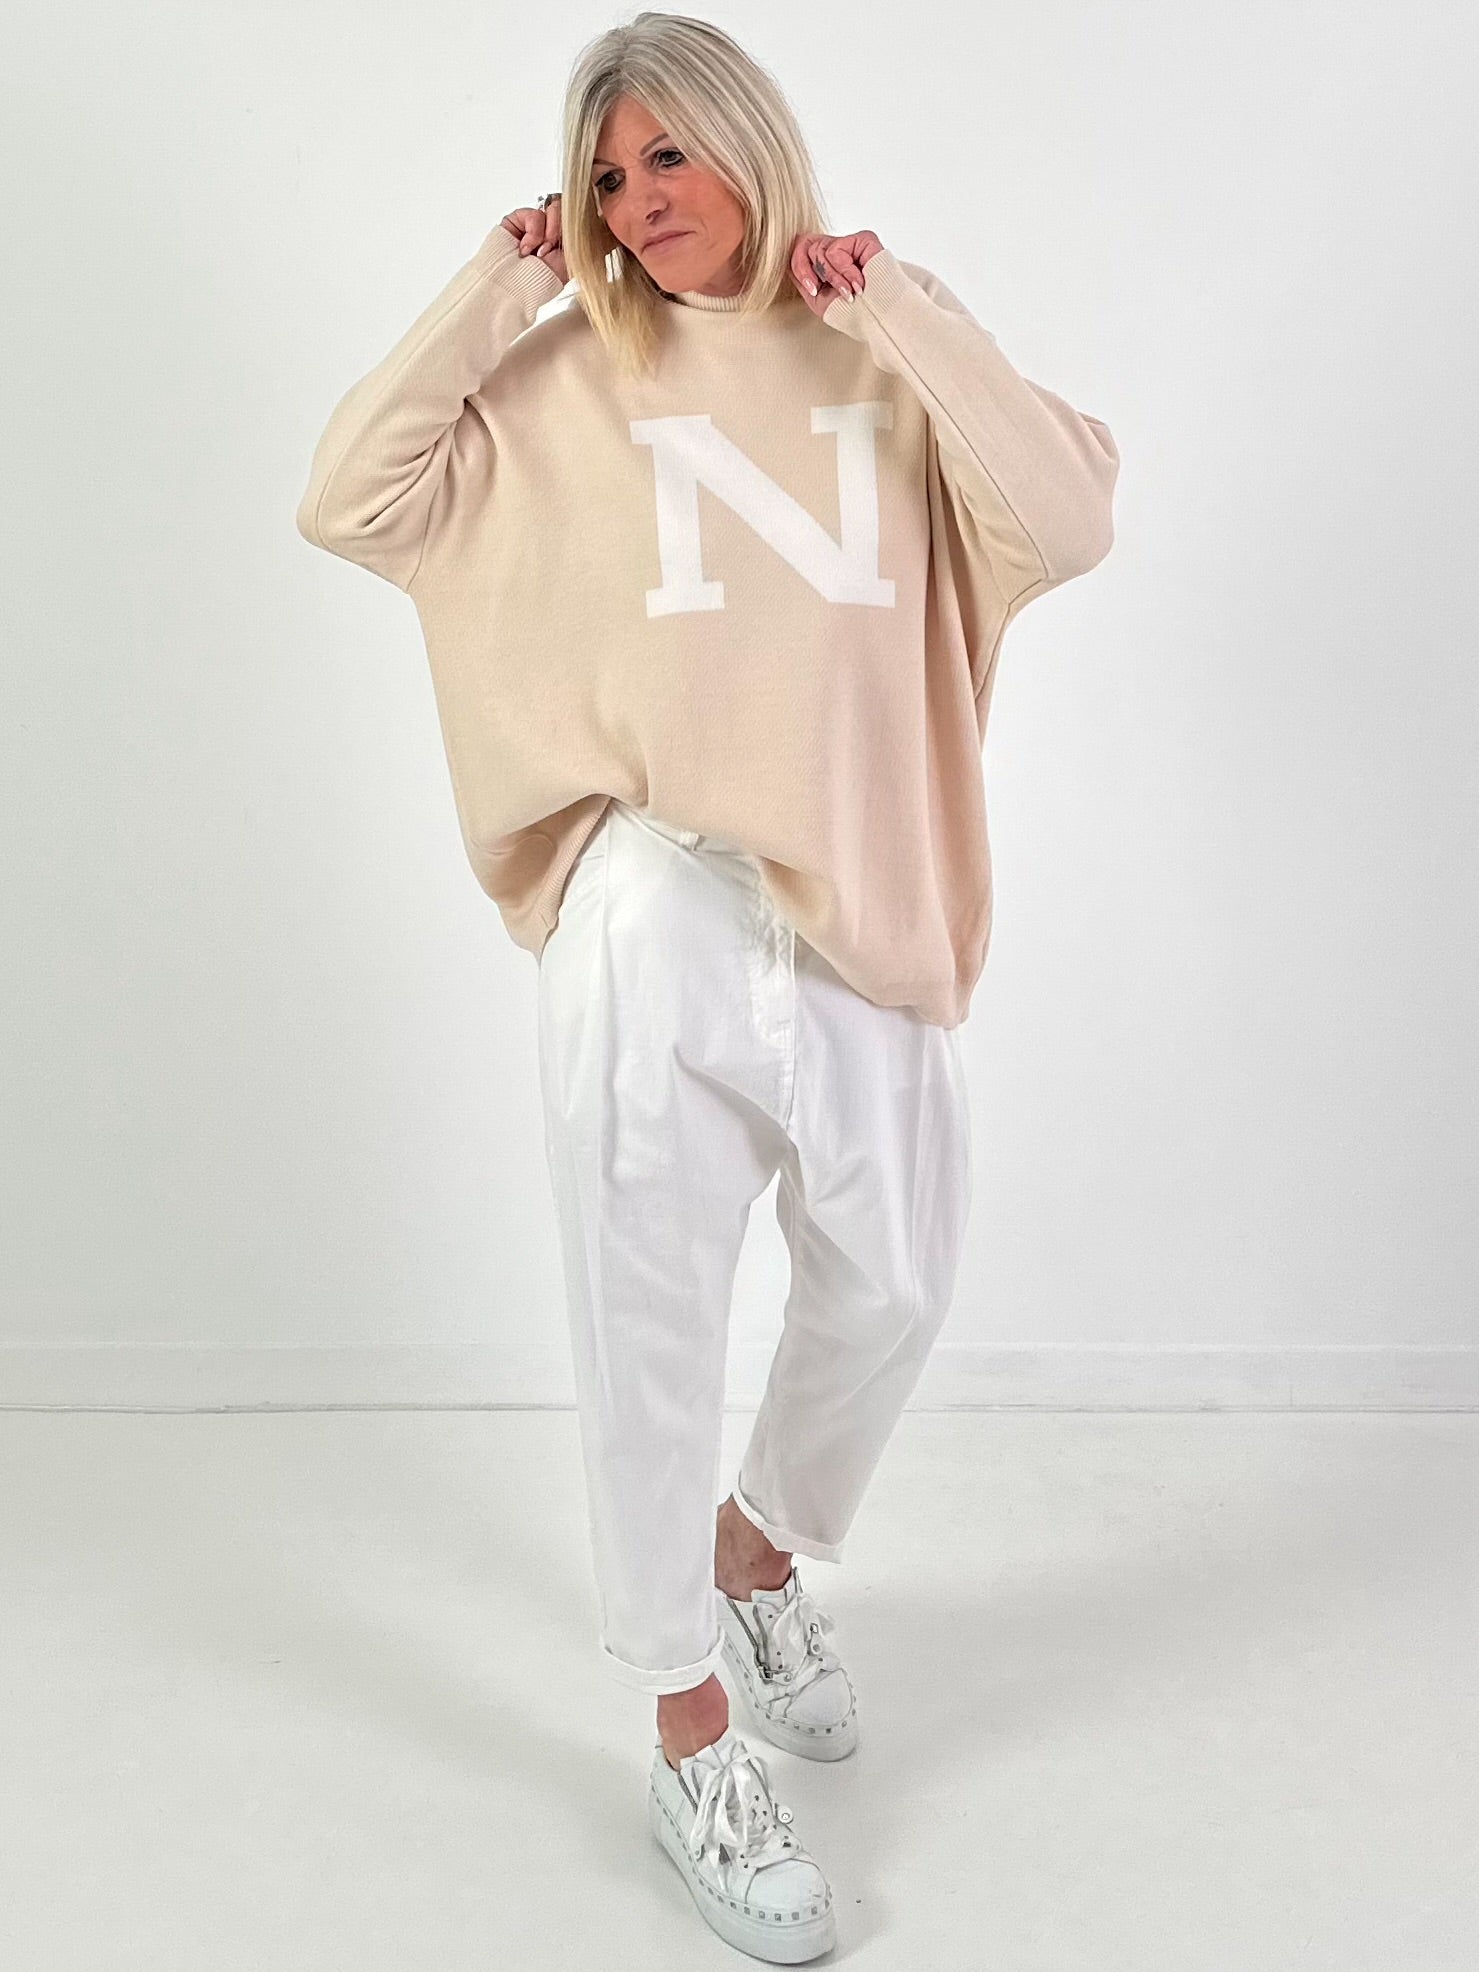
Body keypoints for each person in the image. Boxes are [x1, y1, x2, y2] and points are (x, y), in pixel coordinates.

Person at [296, 11, 1118, 1959]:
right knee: (648, 1302)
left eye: (667, 154)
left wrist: (898, 303)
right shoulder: (566, 372)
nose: (635, 201)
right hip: (650, 892)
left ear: (753, 144)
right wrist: (497, 287)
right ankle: (685, 1729)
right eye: (604, 173)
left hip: (865, 897)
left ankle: (755, 1553)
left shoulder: (881, 356)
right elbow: (350, 496)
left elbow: (1070, 518)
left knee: (894, 1274)